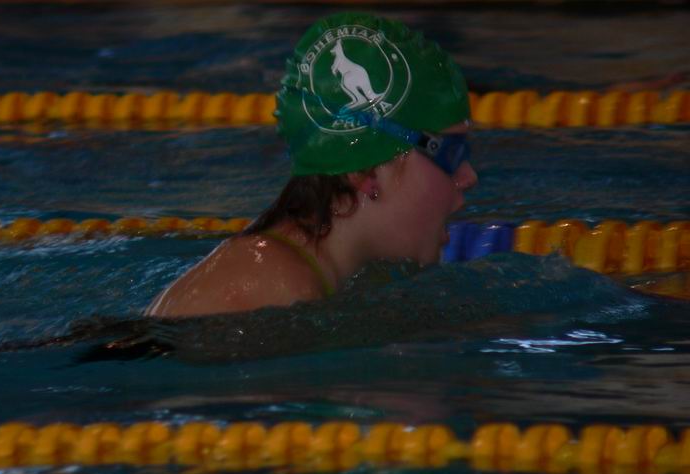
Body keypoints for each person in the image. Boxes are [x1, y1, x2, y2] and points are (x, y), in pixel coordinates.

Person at [146, 12, 478, 318]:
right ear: (364, 172)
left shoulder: (319, 271)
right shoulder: (277, 286)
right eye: (450, 154)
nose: (468, 176)